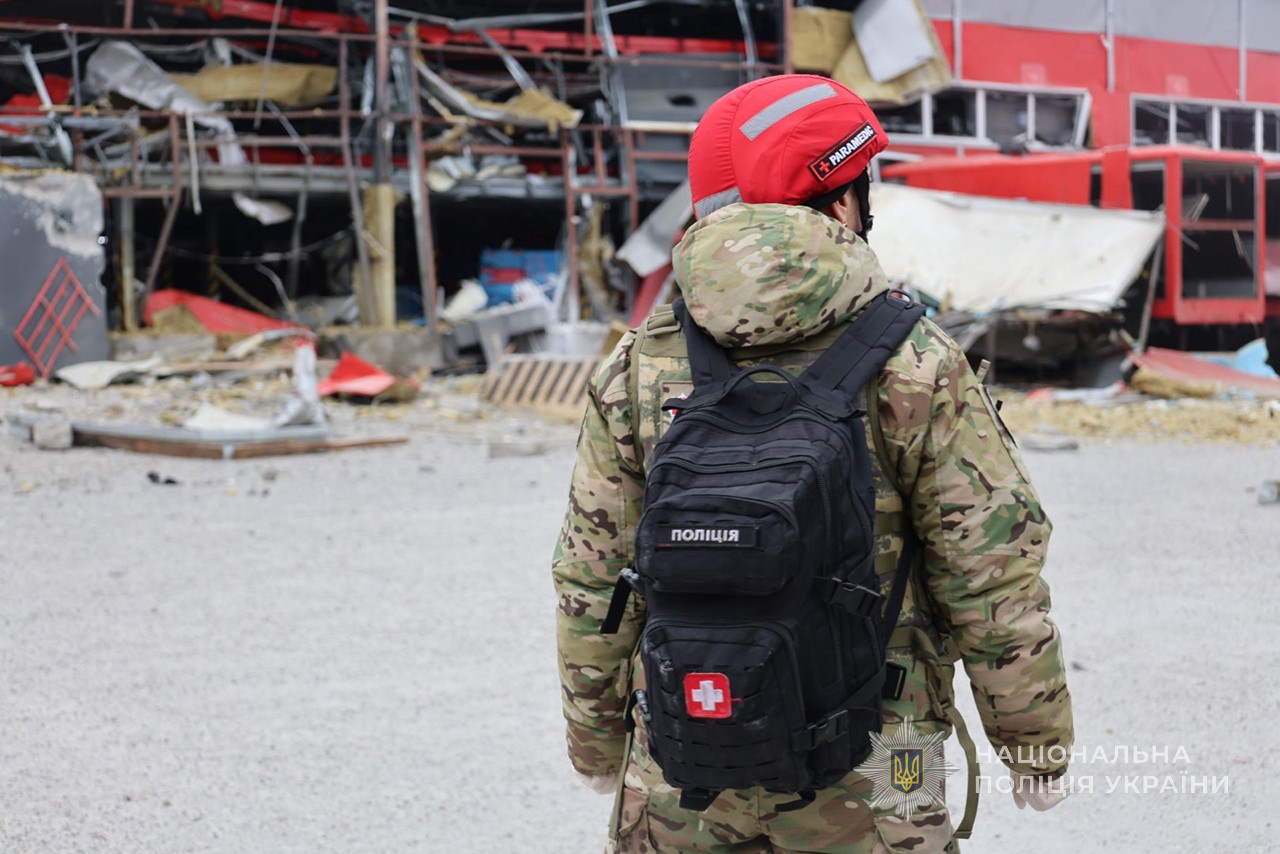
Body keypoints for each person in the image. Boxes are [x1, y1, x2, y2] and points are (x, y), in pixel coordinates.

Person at [552, 74, 1074, 853]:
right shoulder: (915, 361)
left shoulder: (638, 363)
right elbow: (990, 571)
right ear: (839, 204)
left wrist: (596, 741)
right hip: (882, 767)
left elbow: (593, 578)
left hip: (682, 760)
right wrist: (1034, 745)